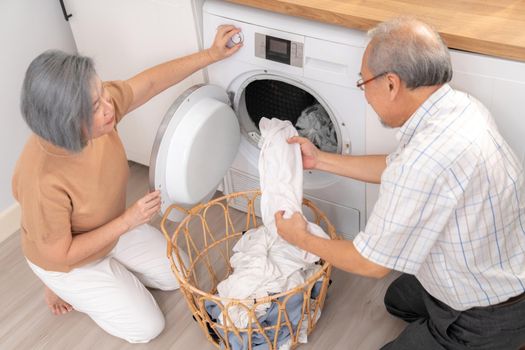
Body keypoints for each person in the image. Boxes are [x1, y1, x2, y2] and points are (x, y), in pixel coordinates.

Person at [275, 17, 525, 349]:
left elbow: (370, 263)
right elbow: (395, 166)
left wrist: (300, 238)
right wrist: (320, 159)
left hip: (484, 316)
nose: (364, 94)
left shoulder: (424, 161)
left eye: (363, 83)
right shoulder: (459, 108)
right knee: (396, 299)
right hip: (503, 268)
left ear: (391, 84)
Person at [12, 25, 242, 343]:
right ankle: (60, 285)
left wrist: (211, 54)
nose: (109, 108)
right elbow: (62, 251)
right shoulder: (43, 180)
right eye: (95, 107)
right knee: (147, 328)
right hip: (67, 259)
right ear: (67, 121)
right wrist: (128, 221)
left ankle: (108, 269)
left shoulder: (97, 109)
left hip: (109, 228)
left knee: (181, 273)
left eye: (103, 95)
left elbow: (147, 84)